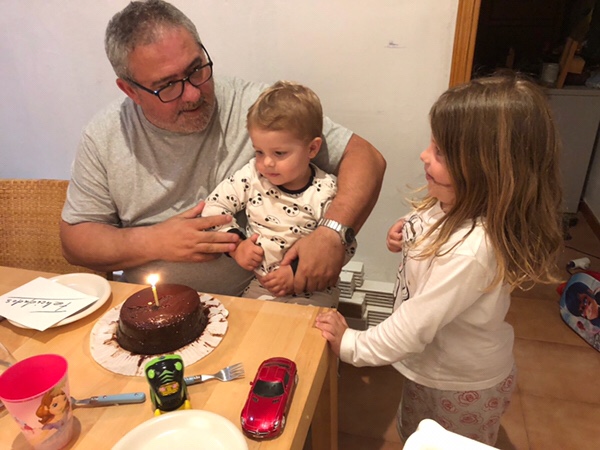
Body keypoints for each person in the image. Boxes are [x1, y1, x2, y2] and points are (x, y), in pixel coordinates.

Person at [59, 0, 385, 296]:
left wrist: (331, 232)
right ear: (130, 91)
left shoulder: (257, 109)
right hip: (152, 308)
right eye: (168, 85)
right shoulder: (104, 136)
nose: (192, 94)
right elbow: (75, 241)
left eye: (196, 69)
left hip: (254, 300)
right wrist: (155, 241)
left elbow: (366, 157)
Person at [316, 74, 564, 445]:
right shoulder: (452, 202)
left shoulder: (471, 250)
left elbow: (414, 325)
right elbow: (429, 224)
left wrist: (352, 345)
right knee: (418, 435)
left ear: (485, 170)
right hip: (431, 367)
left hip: (459, 384)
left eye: (440, 152)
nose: (424, 155)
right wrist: (407, 231)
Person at [202, 80, 356, 307]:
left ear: (312, 148)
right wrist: (237, 245)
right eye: (259, 151)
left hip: (313, 290)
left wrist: (296, 272)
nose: (267, 163)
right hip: (261, 286)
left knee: (305, 330)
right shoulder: (252, 176)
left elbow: (345, 245)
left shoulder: (326, 191)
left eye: (279, 153)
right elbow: (213, 207)